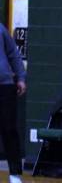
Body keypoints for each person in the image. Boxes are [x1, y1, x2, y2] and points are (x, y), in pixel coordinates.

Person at [0, 22, 27, 183]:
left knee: (9, 130)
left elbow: (13, 54)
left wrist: (21, 78)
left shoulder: (1, 29)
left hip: (5, 85)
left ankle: (15, 174)